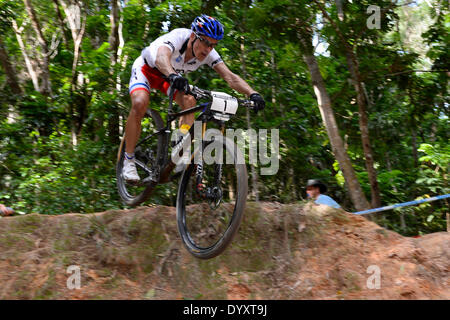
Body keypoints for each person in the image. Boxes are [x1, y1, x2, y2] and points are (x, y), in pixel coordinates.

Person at [123, 14, 265, 182]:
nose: (208, 49)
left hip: (170, 77)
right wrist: (173, 75)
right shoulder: (178, 37)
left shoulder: (209, 54)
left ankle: (180, 146)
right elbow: (162, 57)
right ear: (193, 36)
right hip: (148, 70)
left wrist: (252, 94)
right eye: (205, 42)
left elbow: (230, 77)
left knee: (190, 101)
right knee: (140, 103)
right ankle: (128, 160)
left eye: (213, 45)